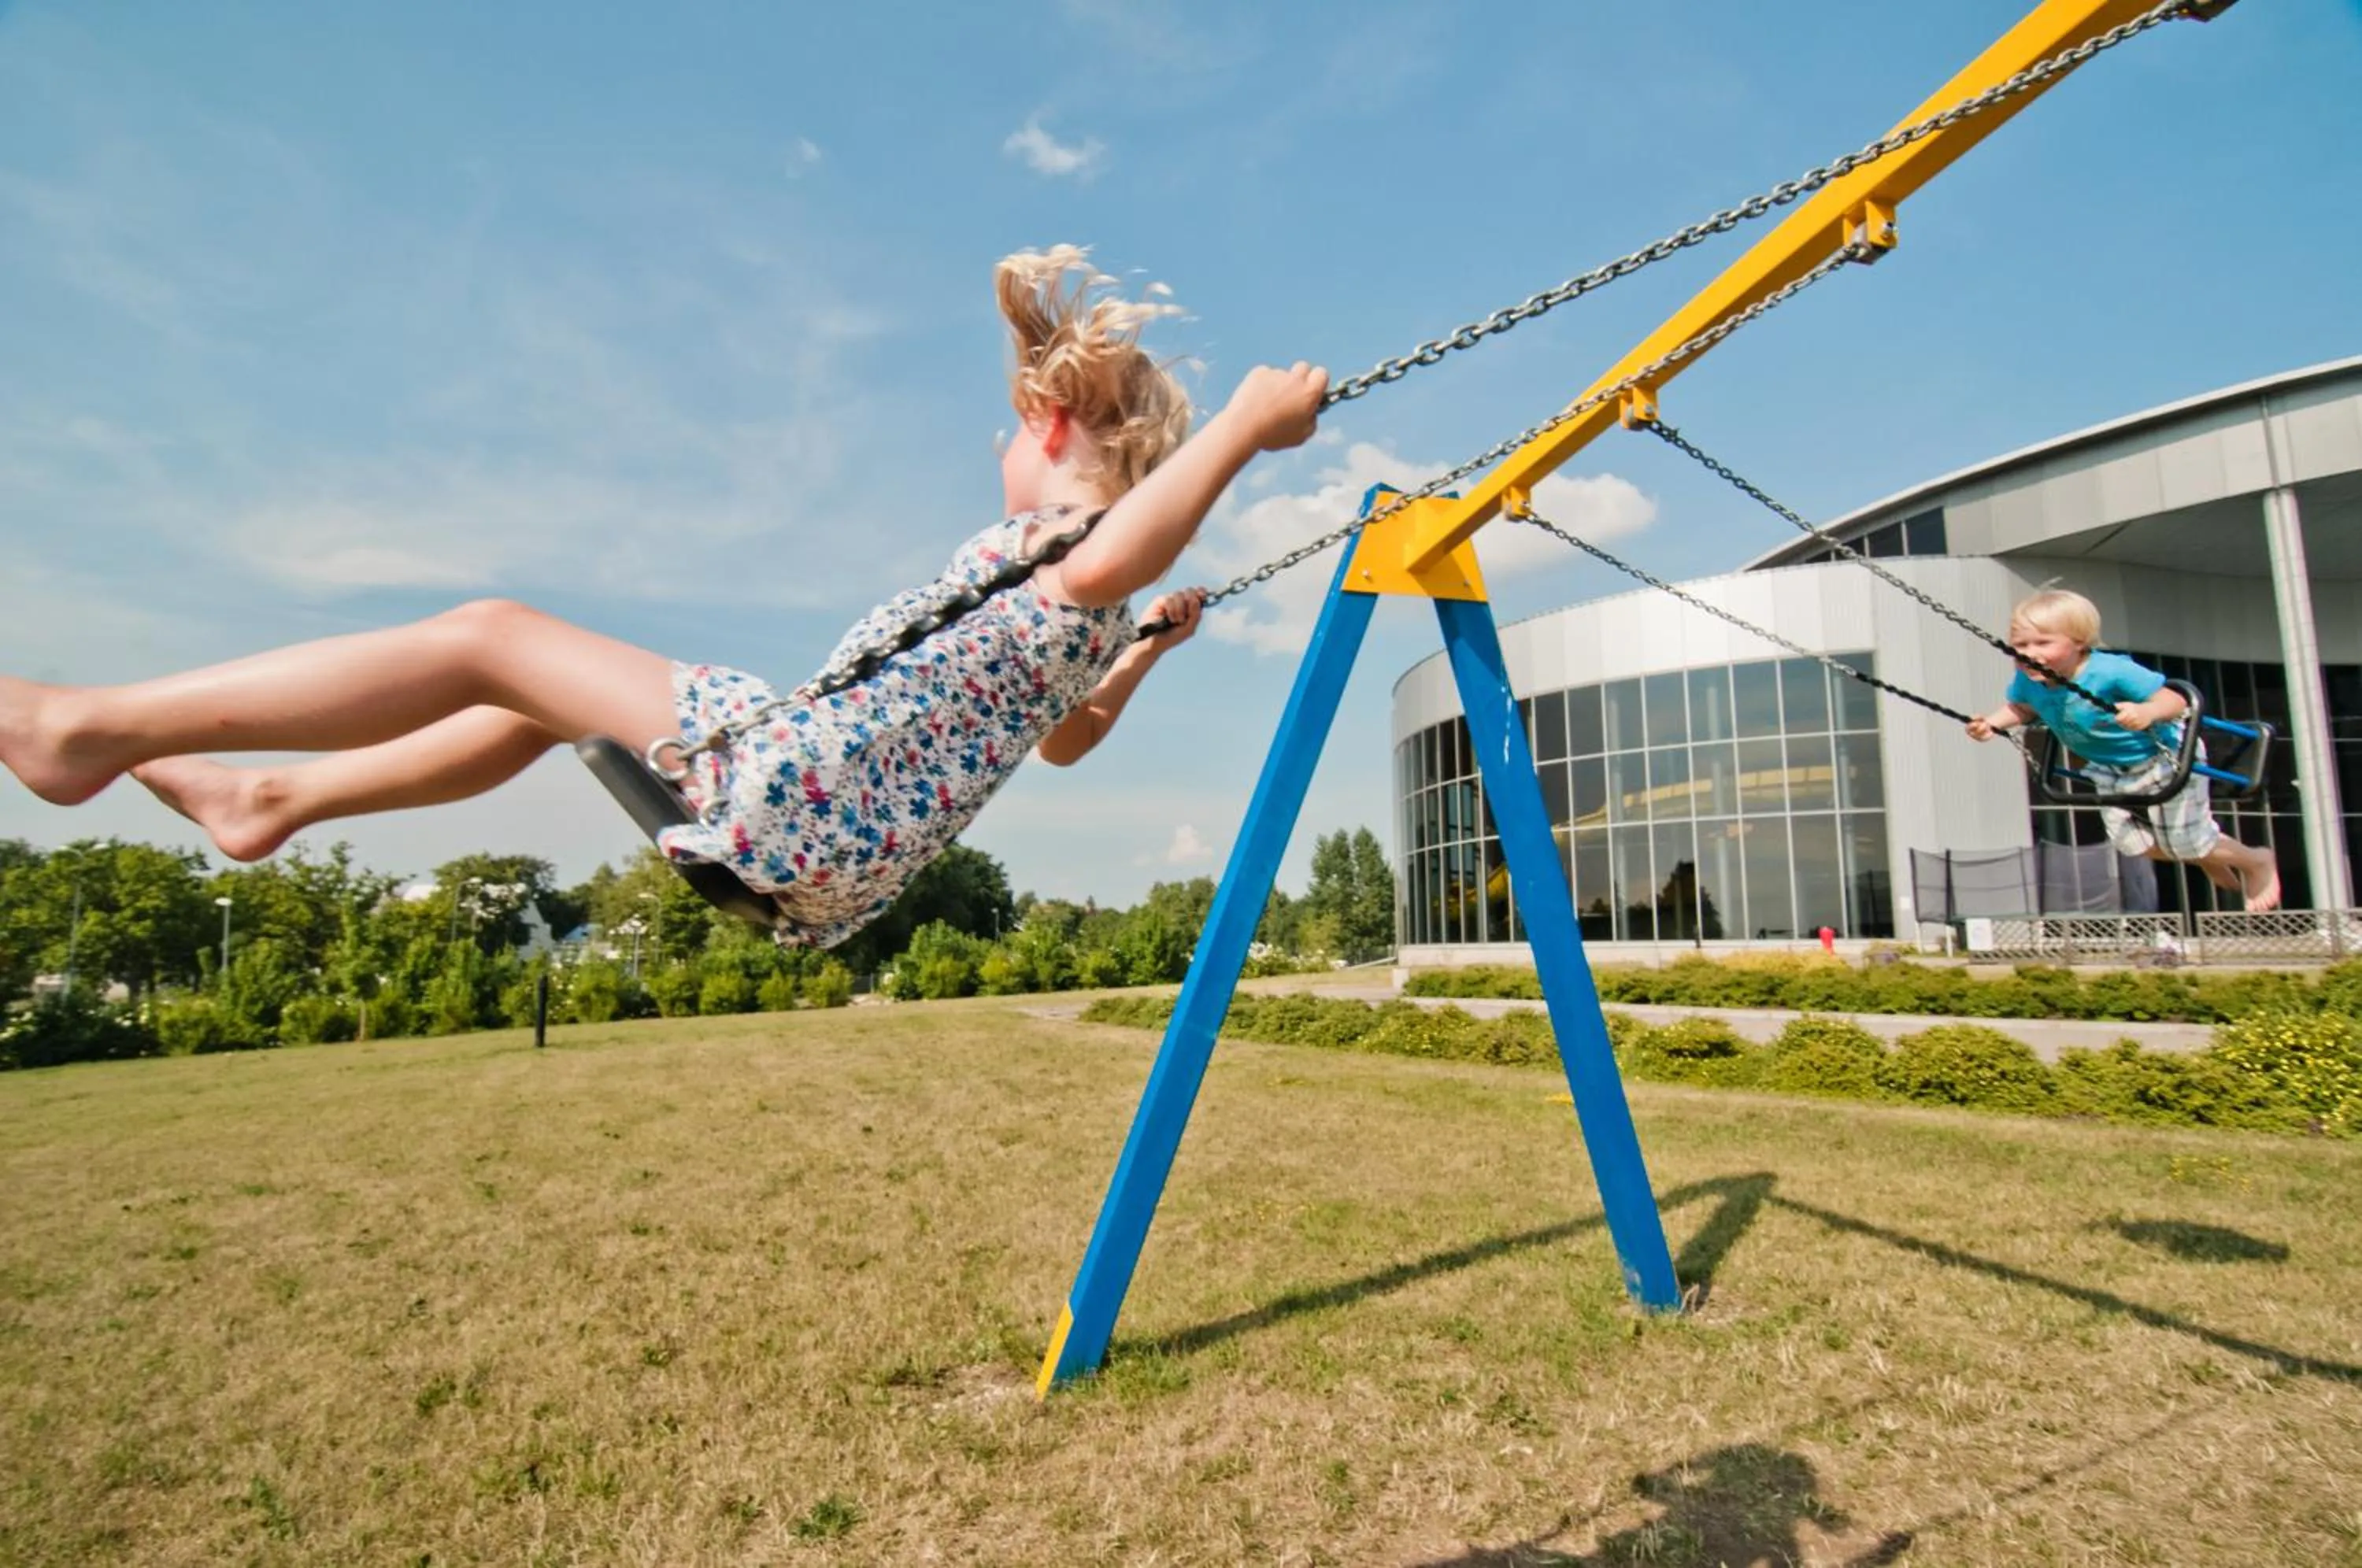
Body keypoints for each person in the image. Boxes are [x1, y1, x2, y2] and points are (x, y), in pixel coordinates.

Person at [0, 246, 1329, 948]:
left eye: (1004, 433)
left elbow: (1120, 549)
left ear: (1050, 428)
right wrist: (1147, 653)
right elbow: (1068, 736)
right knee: (534, 700)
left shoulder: (1076, 548)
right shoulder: (1085, 614)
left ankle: (86, 730)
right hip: (831, 871)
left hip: (790, 785)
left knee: (489, 633)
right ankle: (273, 798)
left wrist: (1248, 431)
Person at [1964, 586, 2280, 912]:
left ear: (2079, 642)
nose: (2029, 653)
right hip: (2108, 767)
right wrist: (1992, 723)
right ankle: (2204, 855)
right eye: (2021, 644)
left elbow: (2176, 699)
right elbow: (2022, 708)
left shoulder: (2110, 670)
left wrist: (2147, 712)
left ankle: (2256, 861)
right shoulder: (2027, 681)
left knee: (2188, 842)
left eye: (2043, 643)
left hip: (2163, 757)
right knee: (2134, 845)